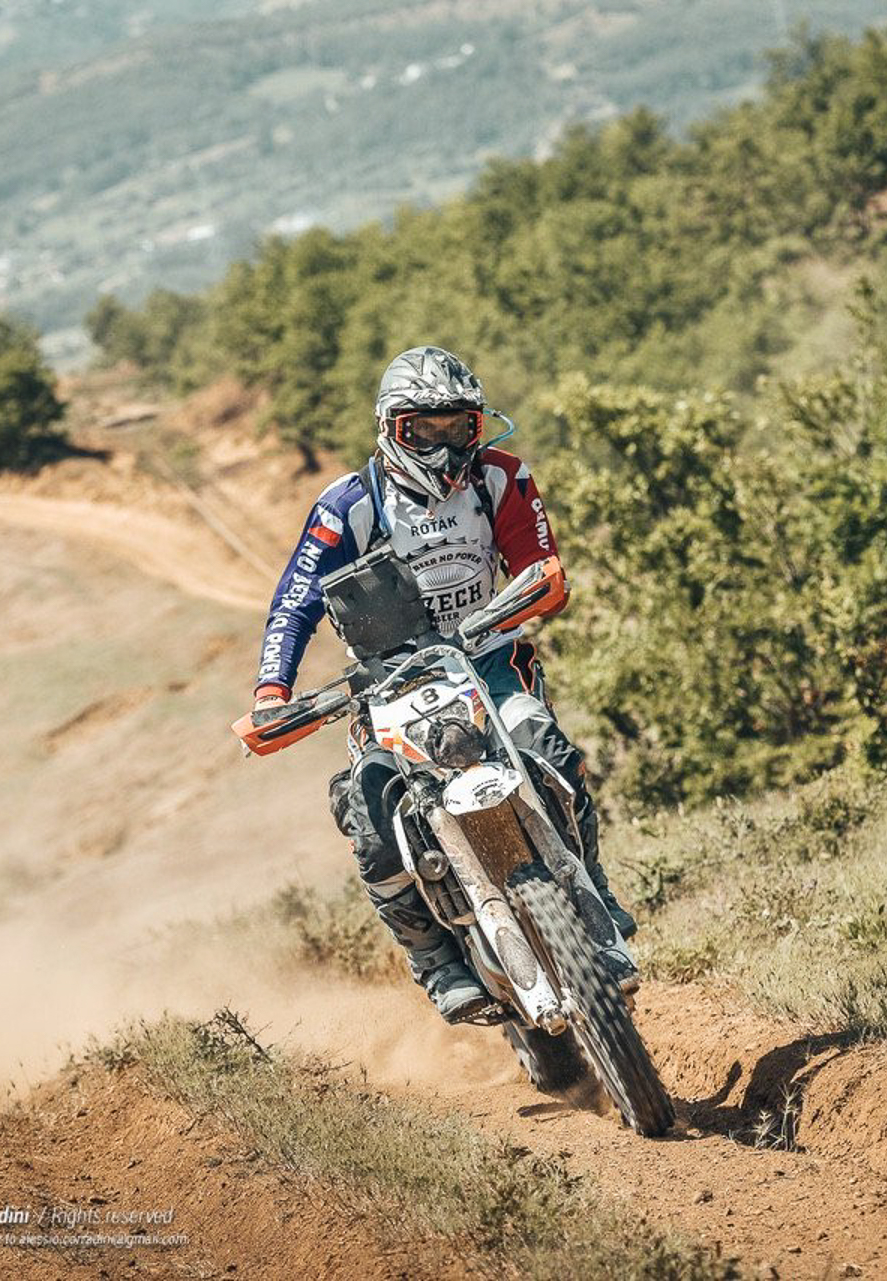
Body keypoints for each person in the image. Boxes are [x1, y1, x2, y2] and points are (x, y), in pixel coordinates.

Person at [250, 345, 636, 1022]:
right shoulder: (349, 504)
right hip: (387, 686)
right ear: (390, 428)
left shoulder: (501, 478)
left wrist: (544, 582)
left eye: (458, 427)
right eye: (423, 429)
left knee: (545, 748)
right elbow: (295, 601)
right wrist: (272, 692)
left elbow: (539, 564)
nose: (444, 445)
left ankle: (593, 889)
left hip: (487, 659)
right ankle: (435, 961)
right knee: (373, 811)